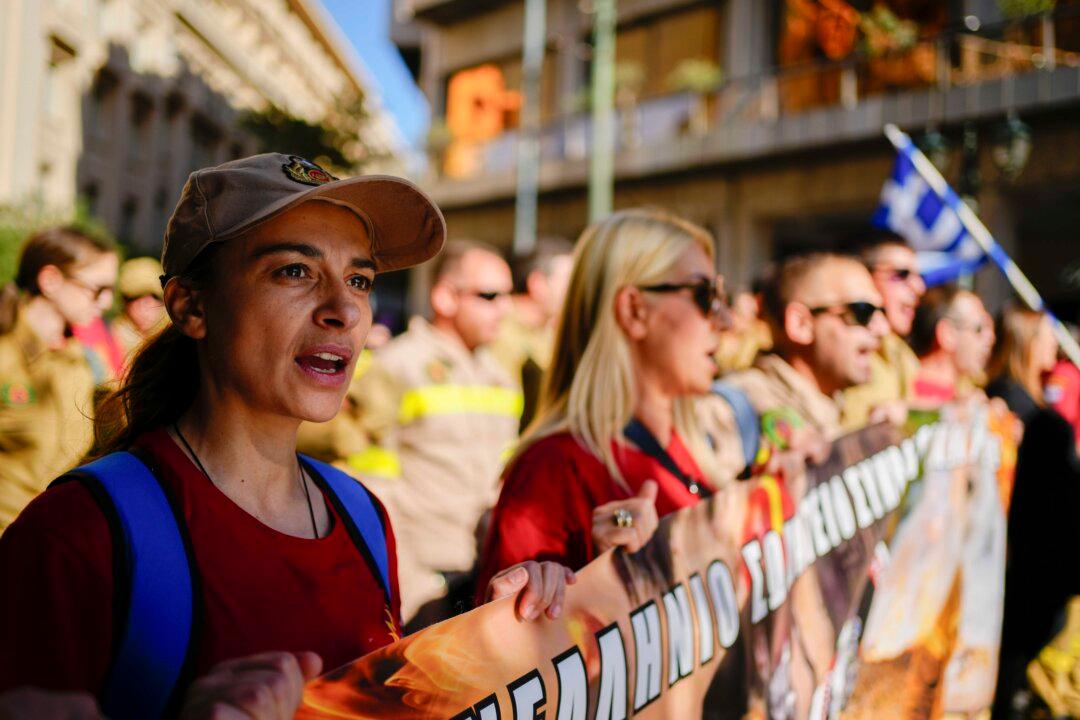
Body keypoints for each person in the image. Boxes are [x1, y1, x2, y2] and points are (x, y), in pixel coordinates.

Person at [0, 154, 572, 719]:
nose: (345, 310)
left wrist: (491, 636)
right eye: (295, 271)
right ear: (190, 305)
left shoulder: (362, 515)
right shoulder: (77, 533)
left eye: (359, 280)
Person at [475, 208, 734, 595]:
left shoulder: (688, 443)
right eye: (704, 295)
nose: (725, 320)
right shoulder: (552, 470)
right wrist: (599, 577)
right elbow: (507, 629)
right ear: (633, 310)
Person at [346, 239, 522, 628]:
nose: (504, 308)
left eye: (508, 295)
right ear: (445, 297)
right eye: (489, 296)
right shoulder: (398, 365)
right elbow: (370, 485)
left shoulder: (501, 375)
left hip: (487, 574)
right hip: (421, 586)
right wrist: (405, 584)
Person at [0, 227, 109, 532]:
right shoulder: (6, 355)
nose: (105, 302)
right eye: (97, 289)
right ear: (50, 280)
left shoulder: (86, 362)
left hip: (54, 539)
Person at [725, 252, 890, 443]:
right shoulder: (737, 412)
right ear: (801, 324)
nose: (883, 329)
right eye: (862, 312)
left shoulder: (830, 407)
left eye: (882, 312)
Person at [839, 235, 925, 430]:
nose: (919, 287)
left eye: (919, 277)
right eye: (902, 274)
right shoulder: (841, 343)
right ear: (864, 276)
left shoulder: (901, 353)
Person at [490, 236, 575, 429]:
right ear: (537, 284)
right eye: (569, 281)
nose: (576, 291)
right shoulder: (497, 330)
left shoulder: (550, 333)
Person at [908, 285, 995, 407]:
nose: (990, 338)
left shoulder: (962, 393)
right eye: (979, 329)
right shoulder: (918, 390)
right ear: (947, 334)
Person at [987, 304, 1060, 425]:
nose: (1055, 342)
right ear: (1029, 343)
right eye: (1050, 335)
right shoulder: (1012, 398)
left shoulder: (1029, 392)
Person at [111, 256, 167, 360]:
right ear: (125, 303)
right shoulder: (111, 339)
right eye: (135, 298)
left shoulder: (171, 333)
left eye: (155, 297)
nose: (144, 306)